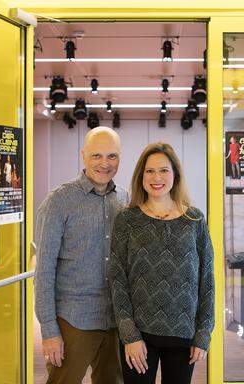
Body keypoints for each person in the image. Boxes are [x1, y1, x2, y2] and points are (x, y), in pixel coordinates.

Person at [109, 142, 215, 384]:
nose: (157, 177)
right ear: (141, 176)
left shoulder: (194, 220)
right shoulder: (127, 220)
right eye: (150, 171)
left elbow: (207, 280)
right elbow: (117, 280)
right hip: (139, 336)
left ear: (175, 175)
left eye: (164, 170)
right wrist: (129, 335)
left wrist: (203, 334)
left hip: (183, 335)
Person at [34, 126, 128, 384]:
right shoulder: (59, 201)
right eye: (96, 155)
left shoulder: (123, 198)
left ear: (120, 158)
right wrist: (49, 330)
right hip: (73, 321)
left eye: (112, 156)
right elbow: (43, 269)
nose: (104, 163)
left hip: (115, 321)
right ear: (83, 155)